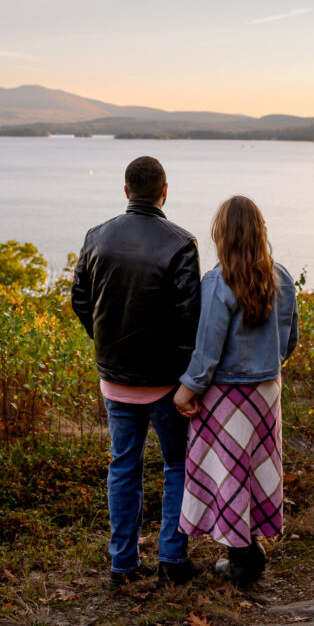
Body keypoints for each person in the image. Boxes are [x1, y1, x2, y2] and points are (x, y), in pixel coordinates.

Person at [71, 156, 203, 588]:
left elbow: (81, 302)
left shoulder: (96, 237)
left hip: (116, 379)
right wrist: (188, 380)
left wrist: (105, 341)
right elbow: (189, 320)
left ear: (126, 191)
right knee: (177, 467)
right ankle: (171, 560)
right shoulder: (182, 243)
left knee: (124, 467)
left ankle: (122, 565)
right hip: (167, 383)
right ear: (165, 190)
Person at [173, 195, 299, 586]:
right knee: (255, 467)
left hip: (226, 394)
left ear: (222, 235)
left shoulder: (216, 283)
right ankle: (250, 548)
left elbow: (207, 349)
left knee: (227, 470)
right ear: (261, 232)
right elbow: (290, 340)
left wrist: (187, 388)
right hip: (265, 393)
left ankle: (243, 559)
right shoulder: (282, 278)